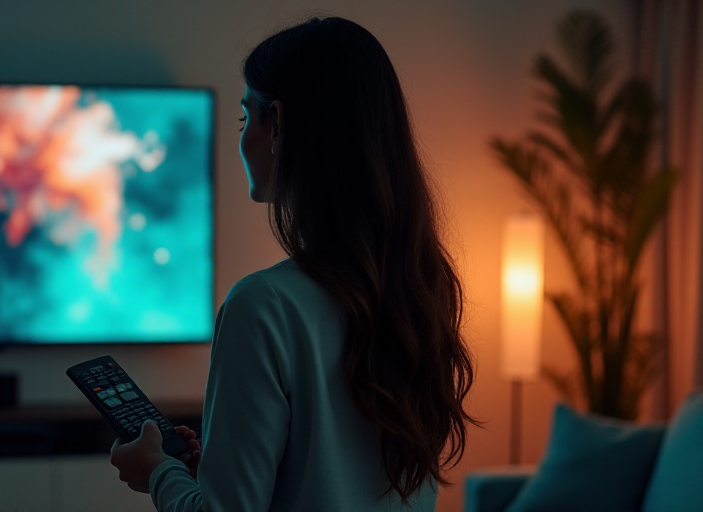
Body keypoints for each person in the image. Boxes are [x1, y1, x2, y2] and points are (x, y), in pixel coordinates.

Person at [110, 16, 476, 511]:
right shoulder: (420, 291)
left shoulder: (262, 306)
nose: (241, 139)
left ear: (277, 124)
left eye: (245, 119)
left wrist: (158, 471)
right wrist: (217, 470)